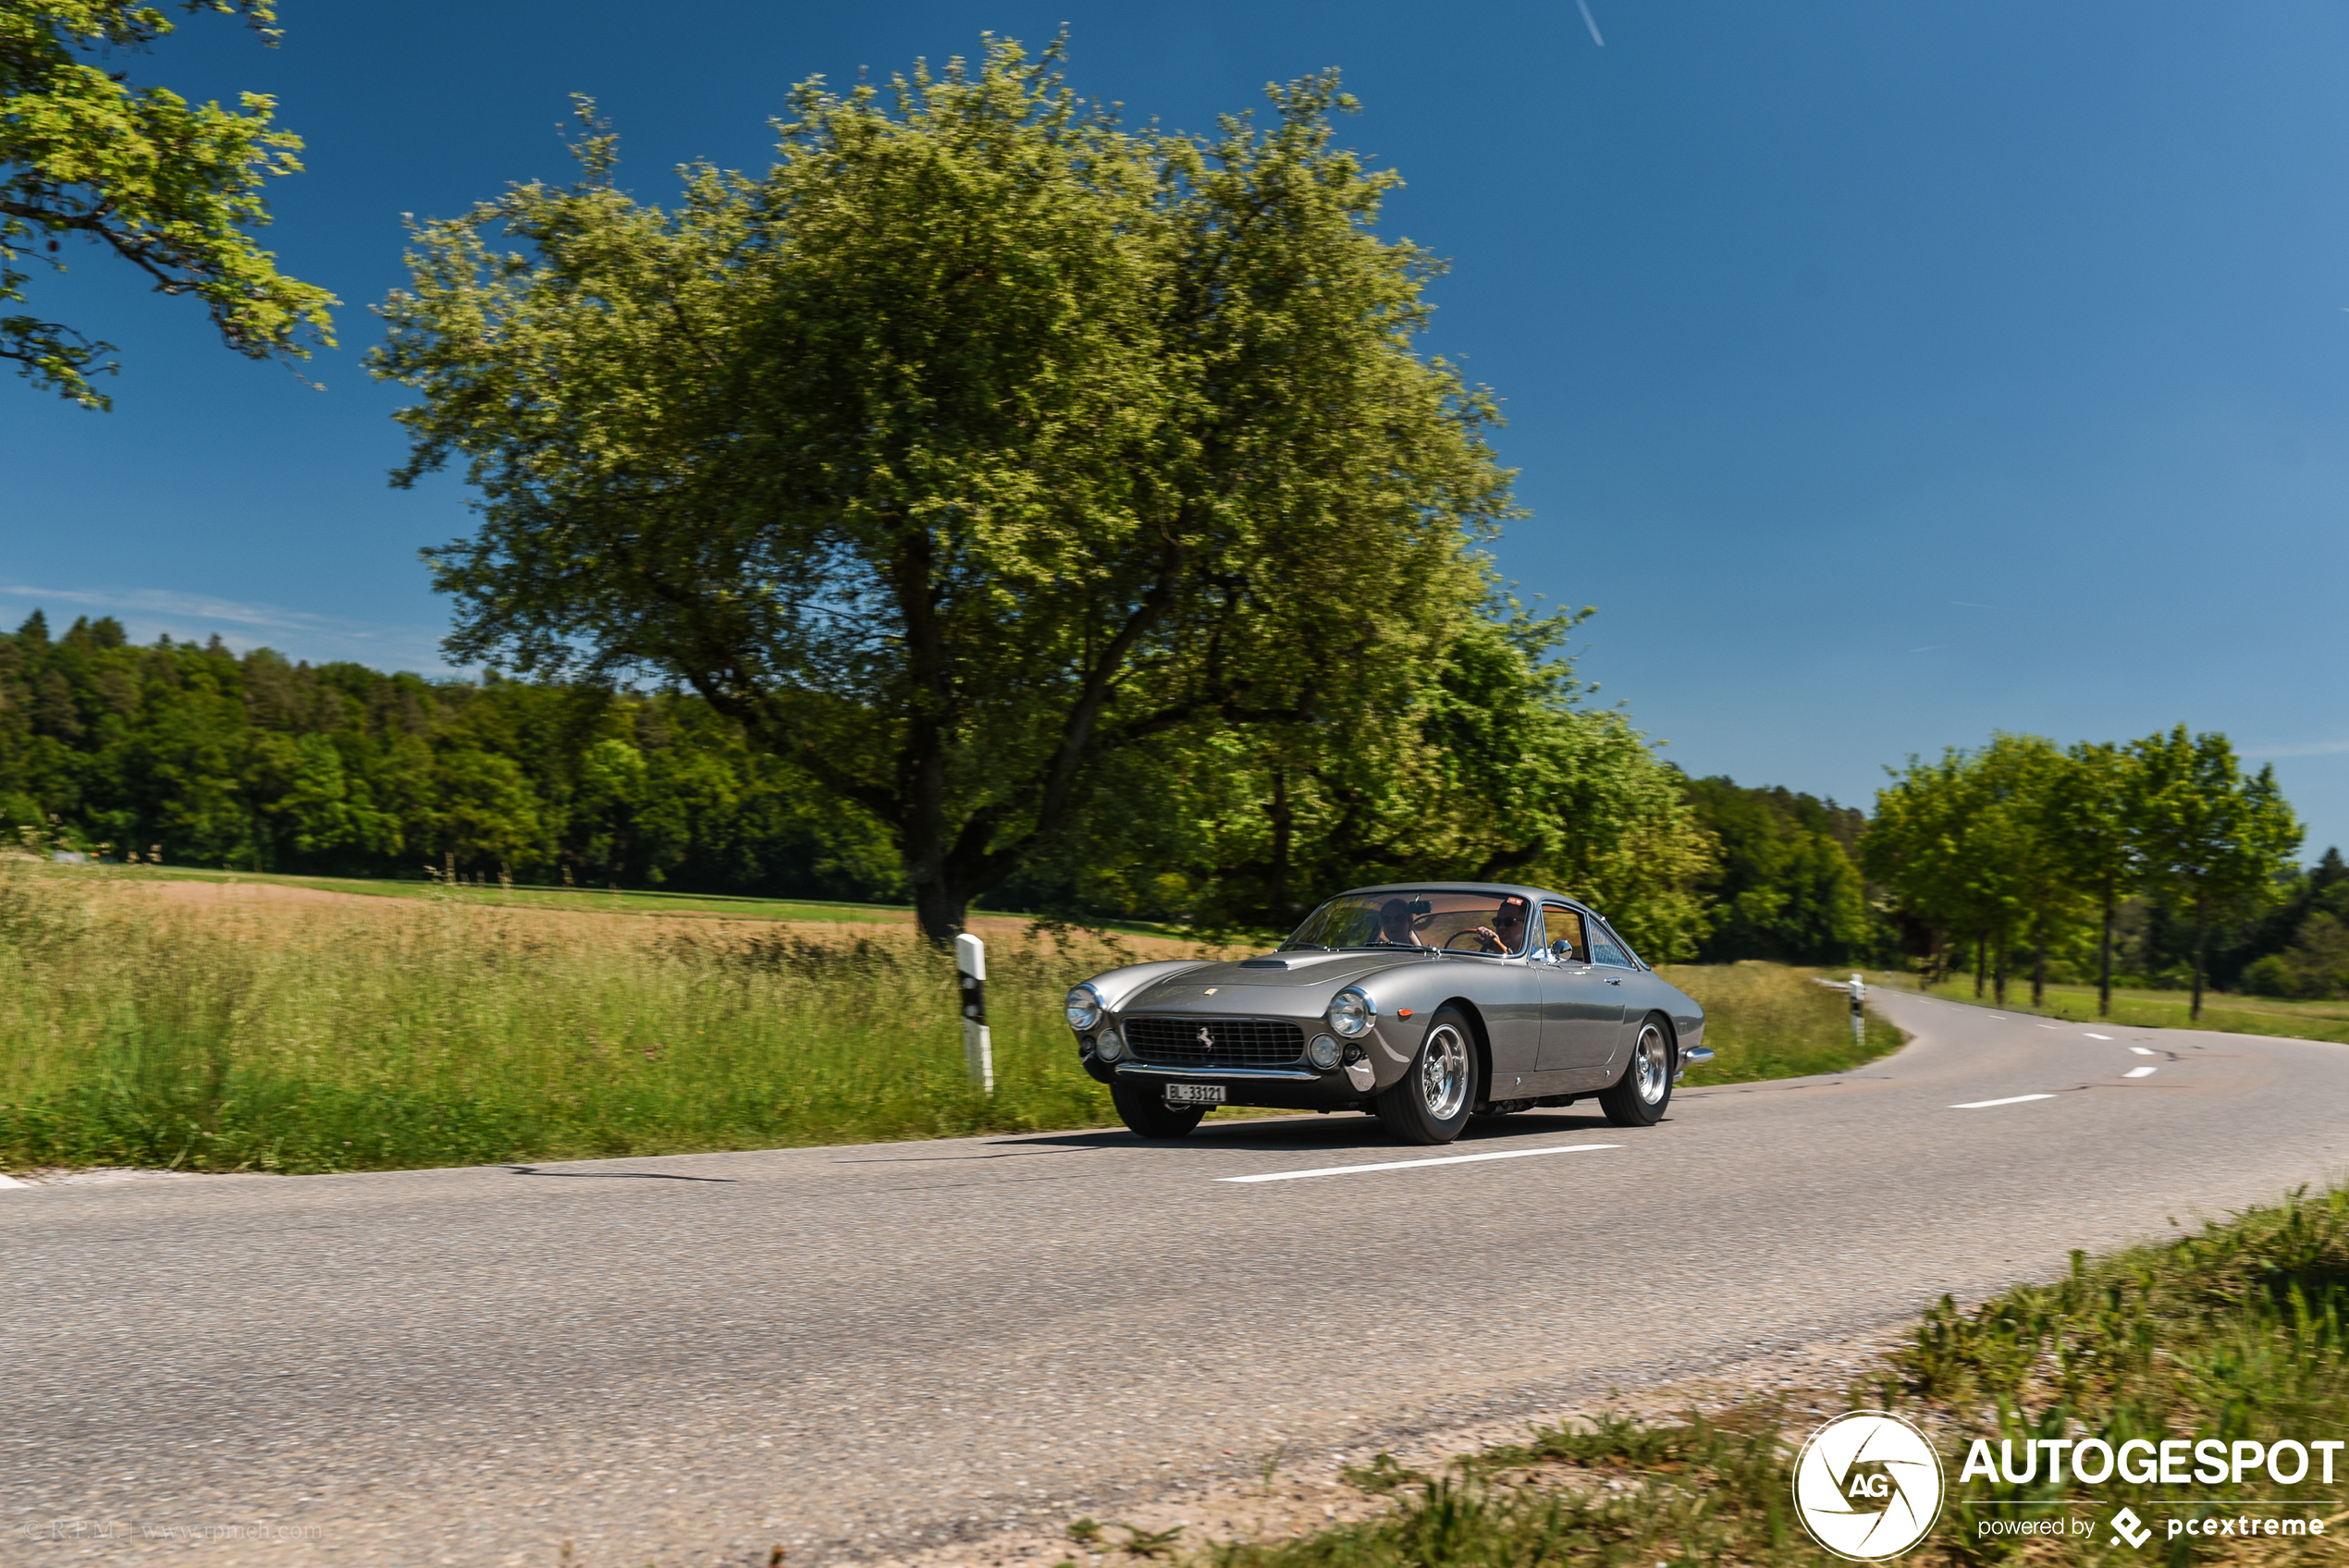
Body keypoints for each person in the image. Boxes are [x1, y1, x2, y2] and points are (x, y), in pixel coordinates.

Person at [1465, 896, 1531, 954]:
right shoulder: (1492, 956)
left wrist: (1504, 952)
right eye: (1497, 921)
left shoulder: (1537, 957)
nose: (1501, 926)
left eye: (1508, 921)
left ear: (1526, 925)